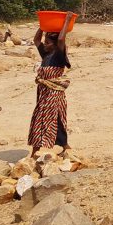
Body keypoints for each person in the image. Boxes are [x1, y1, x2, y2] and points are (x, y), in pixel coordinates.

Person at [29, 12, 73, 159]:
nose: (45, 45)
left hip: (54, 93)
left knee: (49, 119)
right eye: (45, 42)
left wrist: (67, 20)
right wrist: (43, 26)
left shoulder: (59, 55)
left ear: (55, 45)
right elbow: (36, 40)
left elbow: (61, 39)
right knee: (43, 118)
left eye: (48, 42)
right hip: (43, 93)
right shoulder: (46, 54)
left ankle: (60, 147)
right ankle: (60, 147)